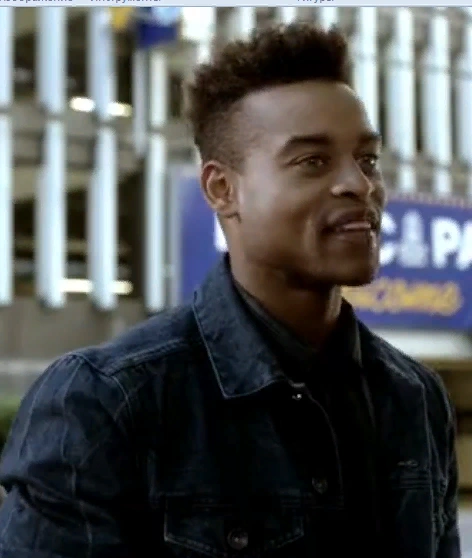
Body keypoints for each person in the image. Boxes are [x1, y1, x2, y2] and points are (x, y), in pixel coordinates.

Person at [0, 23, 459, 558]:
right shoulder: (105, 404)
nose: (359, 185)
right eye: (312, 161)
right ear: (222, 189)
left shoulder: (415, 397)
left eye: (368, 159)